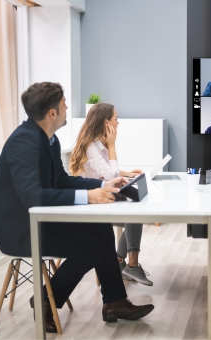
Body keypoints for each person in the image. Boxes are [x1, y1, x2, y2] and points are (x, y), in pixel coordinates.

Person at [0, 82, 154, 333]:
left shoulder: (49, 140)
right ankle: (45, 298)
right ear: (52, 113)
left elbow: (61, 180)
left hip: (41, 218)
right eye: (64, 104)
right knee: (91, 249)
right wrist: (88, 196)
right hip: (20, 229)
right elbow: (32, 196)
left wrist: (102, 184)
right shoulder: (24, 141)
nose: (68, 108)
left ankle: (114, 301)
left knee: (101, 230)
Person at [70, 103, 153, 286]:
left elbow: (108, 171)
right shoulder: (91, 146)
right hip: (92, 202)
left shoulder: (98, 144)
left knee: (135, 210)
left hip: (104, 195)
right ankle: (130, 265)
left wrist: (128, 173)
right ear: (106, 122)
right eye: (116, 118)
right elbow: (111, 175)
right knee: (134, 211)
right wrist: (112, 145)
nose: (118, 123)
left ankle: (121, 262)